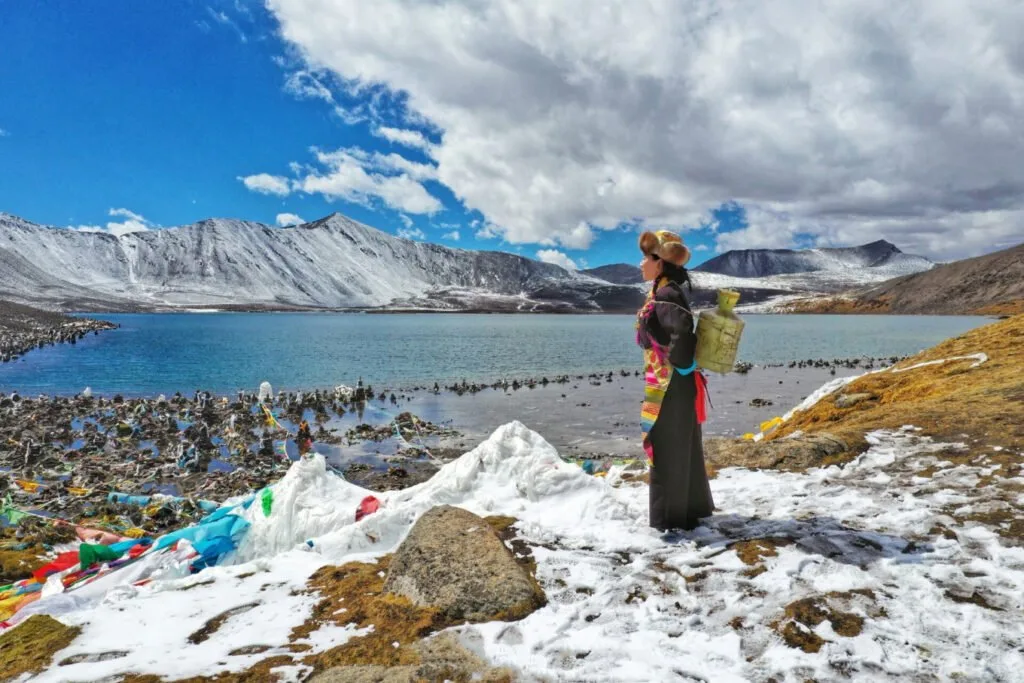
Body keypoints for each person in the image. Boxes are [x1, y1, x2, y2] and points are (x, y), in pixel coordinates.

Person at [635, 230, 714, 531]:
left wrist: (682, 364)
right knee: (683, 443)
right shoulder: (666, 291)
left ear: (661, 263)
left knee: (667, 445)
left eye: (646, 258)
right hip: (674, 383)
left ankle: (669, 520)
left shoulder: (666, 295)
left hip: (669, 385)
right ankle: (690, 510)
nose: (641, 264)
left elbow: (682, 336)